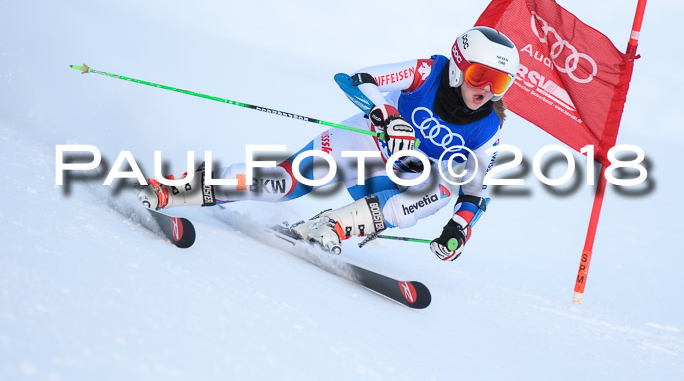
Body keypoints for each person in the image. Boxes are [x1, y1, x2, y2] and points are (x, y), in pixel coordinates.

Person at [139, 26, 519, 261]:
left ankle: (332, 226)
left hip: (398, 179)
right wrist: (387, 114)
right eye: (480, 74)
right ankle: (175, 188)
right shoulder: (427, 71)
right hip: (365, 144)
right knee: (281, 185)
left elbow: (475, 192)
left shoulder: (488, 127)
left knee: (437, 191)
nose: (486, 89)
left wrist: (458, 229)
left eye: (499, 83)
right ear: (457, 64)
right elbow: (354, 80)